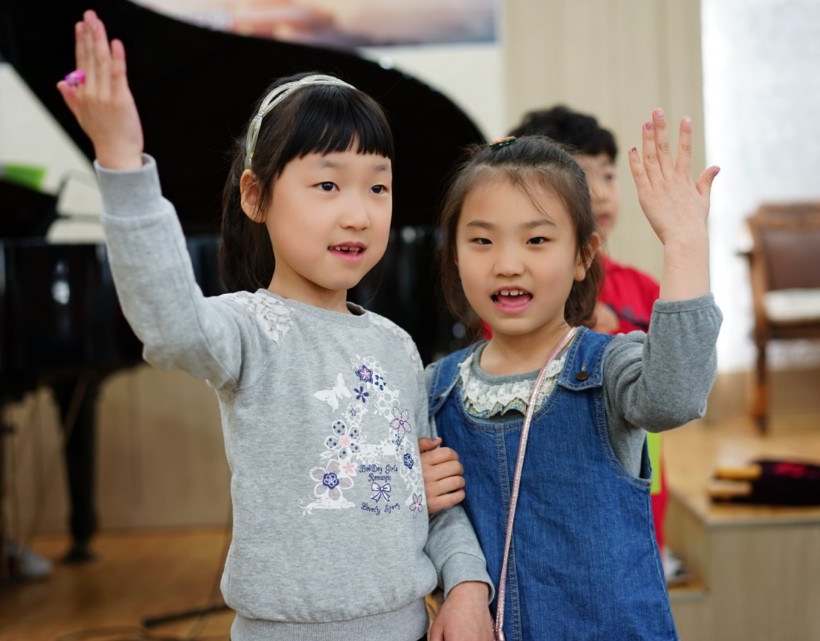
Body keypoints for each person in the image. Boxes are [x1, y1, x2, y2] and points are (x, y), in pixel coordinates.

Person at [55, 10, 493, 641]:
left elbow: (435, 496)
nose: (359, 214)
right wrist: (124, 164)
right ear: (255, 197)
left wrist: (468, 585)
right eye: (327, 185)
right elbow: (171, 326)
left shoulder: (395, 345)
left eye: (378, 188)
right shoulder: (248, 329)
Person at [423, 115, 721, 640]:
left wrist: (684, 243)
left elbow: (674, 398)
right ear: (454, 255)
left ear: (583, 256)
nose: (507, 264)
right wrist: (413, 497)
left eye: (537, 240)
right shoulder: (436, 387)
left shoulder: (607, 365)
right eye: (482, 241)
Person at [508, 106, 677, 577]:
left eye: (607, 174)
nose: (601, 192)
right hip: (558, 504)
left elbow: (673, 386)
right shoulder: (518, 293)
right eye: (583, 177)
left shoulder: (643, 288)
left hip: (640, 490)